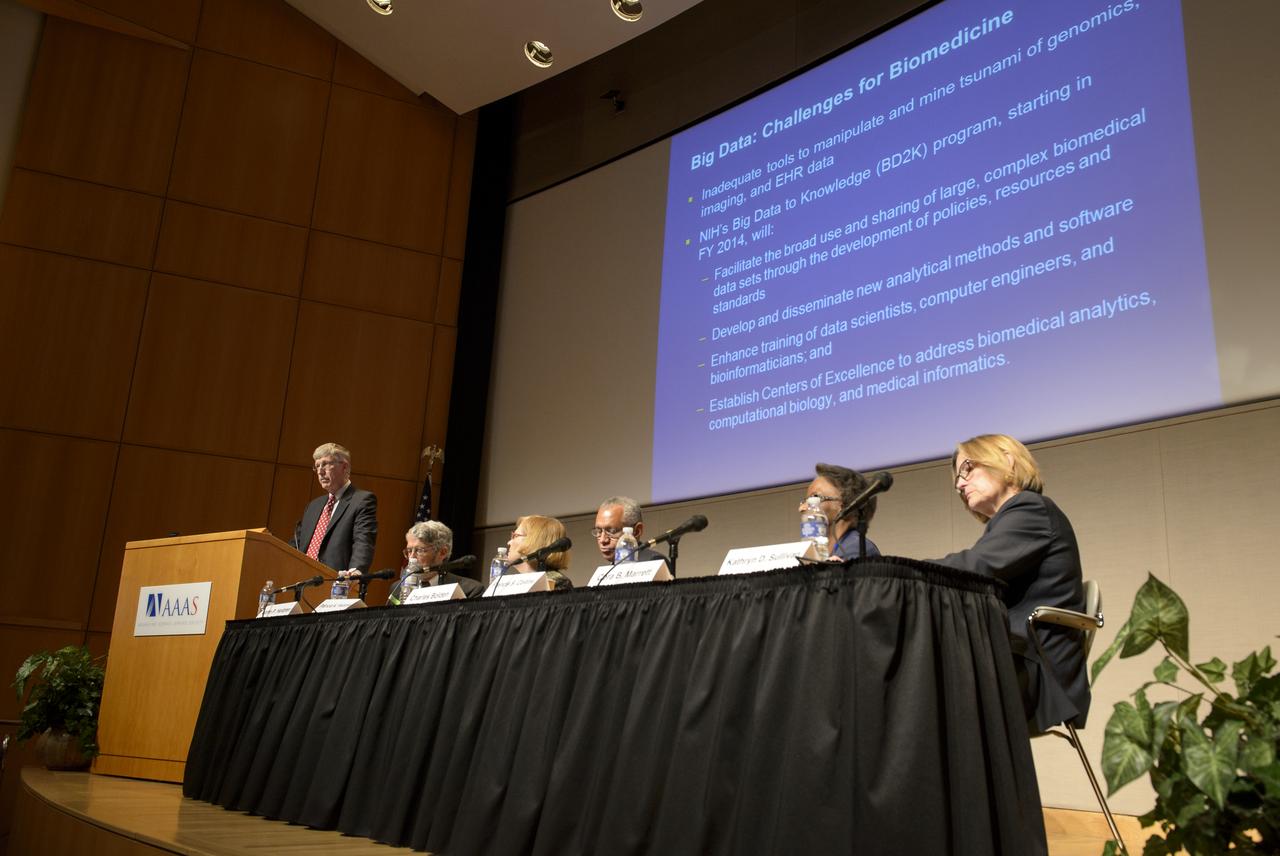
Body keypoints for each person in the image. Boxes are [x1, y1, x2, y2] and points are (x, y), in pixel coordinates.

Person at [929, 434, 1089, 734]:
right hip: (1016, 661)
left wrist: (897, 571)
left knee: (914, 681)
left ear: (1007, 461)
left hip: (1034, 670)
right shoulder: (1013, 519)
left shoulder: (1031, 509)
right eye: (956, 479)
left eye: (967, 469)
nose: (960, 484)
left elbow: (973, 568)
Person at [292, 443, 377, 574]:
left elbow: (363, 541)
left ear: (344, 467)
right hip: (301, 578)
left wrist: (355, 573)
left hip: (336, 580)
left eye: (325, 464)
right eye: (317, 466)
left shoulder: (361, 501)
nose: (320, 471)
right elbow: (297, 544)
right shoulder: (313, 506)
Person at [798, 463, 881, 560]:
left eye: (815, 497)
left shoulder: (856, 549)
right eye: (805, 501)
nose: (802, 508)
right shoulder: (818, 552)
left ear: (846, 504)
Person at [391, 520, 483, 602]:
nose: (411, 557)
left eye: (419, 550)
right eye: (409, 551)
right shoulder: (397, 589)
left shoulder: (469, 590)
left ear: (442, 552)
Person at [592, 496, 671, 568]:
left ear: (636, 531)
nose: (602, 540)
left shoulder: (652, 562)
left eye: (611, 531)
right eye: (599, 531)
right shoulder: (609, 569)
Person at [506, 515, 573, 590]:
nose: (509, 543)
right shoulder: (511, 585)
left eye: (515, 536)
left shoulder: (557, 583)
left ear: (534, 541)